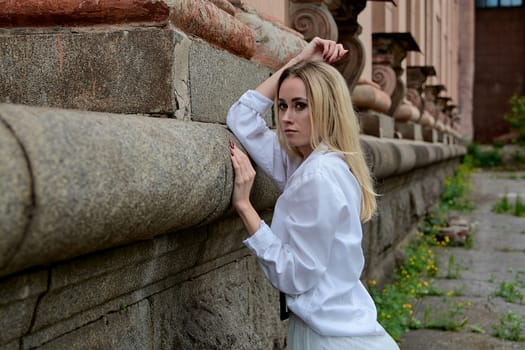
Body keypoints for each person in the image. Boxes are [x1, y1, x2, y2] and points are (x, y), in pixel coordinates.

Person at [227, 37, 399, 350]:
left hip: (328, 338)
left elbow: (294, 276)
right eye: (282, 105)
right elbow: (242, 117)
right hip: (340, 328)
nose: (285, 118)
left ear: (326, 108)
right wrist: (301, 59)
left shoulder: (317, 176)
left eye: (300, 106)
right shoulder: (310, 163)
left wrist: (244, 207)